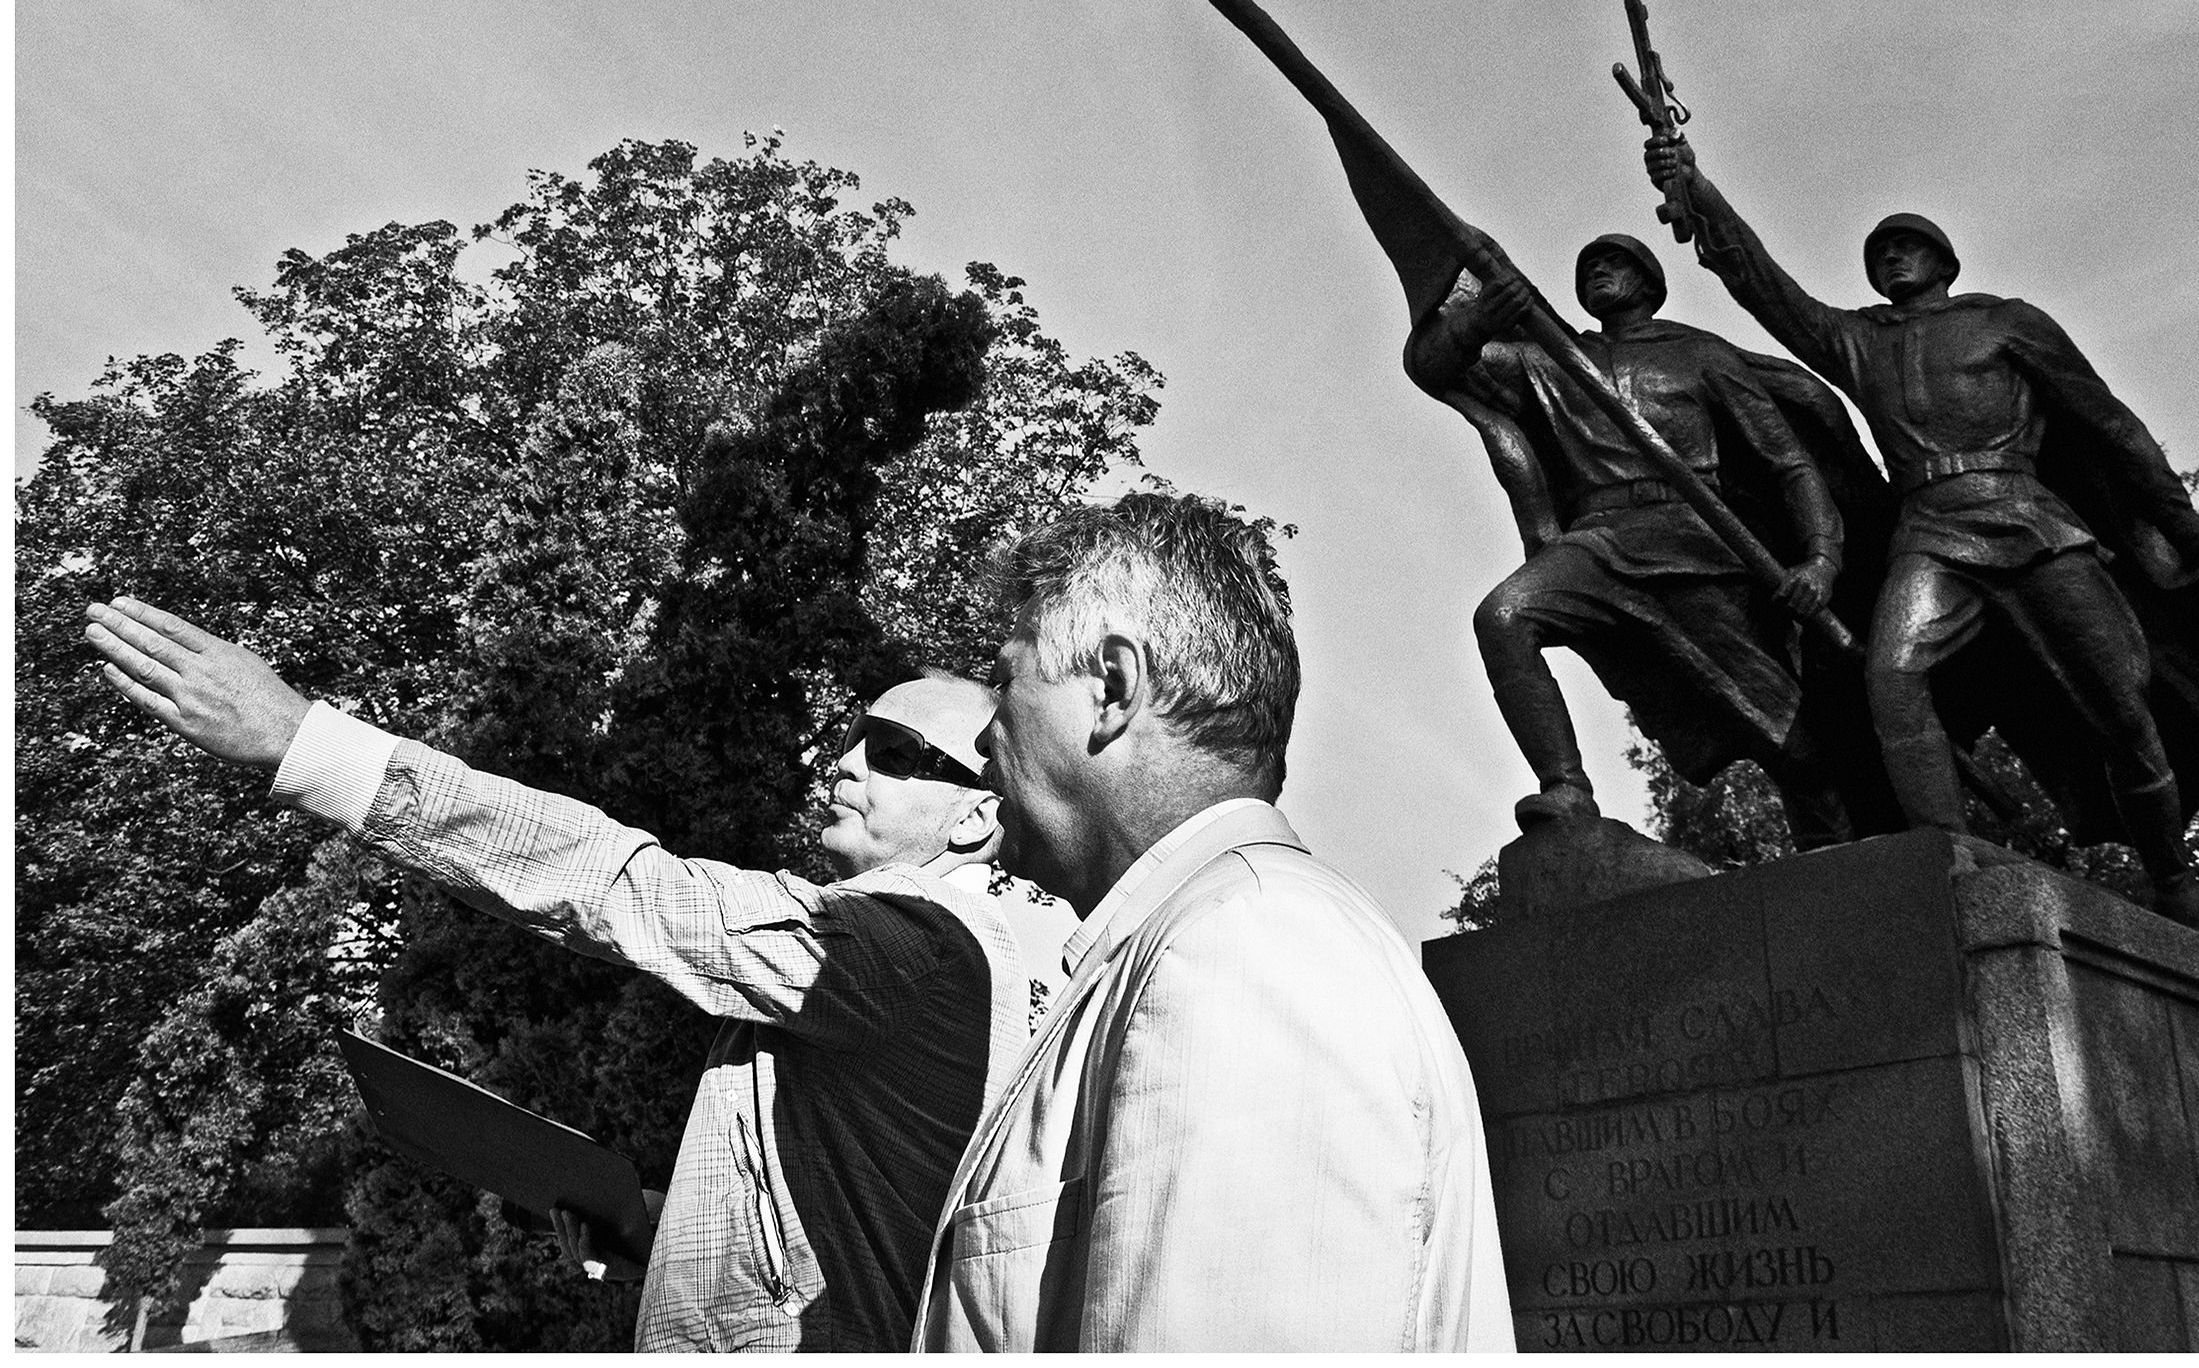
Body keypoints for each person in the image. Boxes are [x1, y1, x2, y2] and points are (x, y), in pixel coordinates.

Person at [82, 596, 1027, 1351]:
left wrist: (308, 741)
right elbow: (862, 1227)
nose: (849, 758)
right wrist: (655, 1225)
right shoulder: (940, 962)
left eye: (898, 754)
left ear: (977, 820)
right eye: (859, 734)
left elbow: (619, 882)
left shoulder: (916, 946)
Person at [1642, 135, 2199, 936]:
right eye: (1881, 251)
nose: (1893, 260)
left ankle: (2173, 877)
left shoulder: (2007, 324)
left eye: (1908, 246)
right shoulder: (1864, 339)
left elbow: (2113, 427)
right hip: (1932, 534)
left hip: (2033, 524)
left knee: (2122, 707)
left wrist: (2187, 531)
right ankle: (1946, 853)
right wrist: (1699, 192)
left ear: (1943, 259)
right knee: (1892, 671)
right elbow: (1770, 292)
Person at [910, 492, 1512, 1352]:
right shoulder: (1204, 939)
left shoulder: (1245, 948)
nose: (982, 738)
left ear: (1112, 686)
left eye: (1005, 681)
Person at [1404, 231, 1897, 854]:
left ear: (1649, 282)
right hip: (1599, 544)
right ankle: (1566, 789)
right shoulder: (1556, 358)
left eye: (1614, 263)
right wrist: (1476, 322)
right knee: (1503, 617)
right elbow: (1432, 367)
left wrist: (1821, 561)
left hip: (1699, 545)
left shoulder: (1699, 355)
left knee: (1785, 735)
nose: (1599, 273)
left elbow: (1788, 464)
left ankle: (1833, 843)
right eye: (1589, 267)